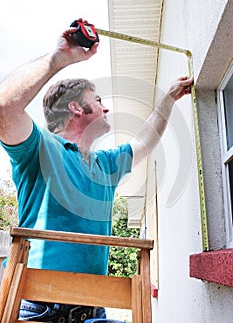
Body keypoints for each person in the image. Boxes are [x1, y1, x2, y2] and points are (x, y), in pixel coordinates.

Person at [0, 18, 193, 322]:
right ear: (76, 108)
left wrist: (169, 97)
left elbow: (144, 141)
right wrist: (61, 58)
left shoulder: (105, 165)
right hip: (36, 309)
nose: (106, 108)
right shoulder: (40, 148)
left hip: (93, 310)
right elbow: (4, 109)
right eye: (98, 100)